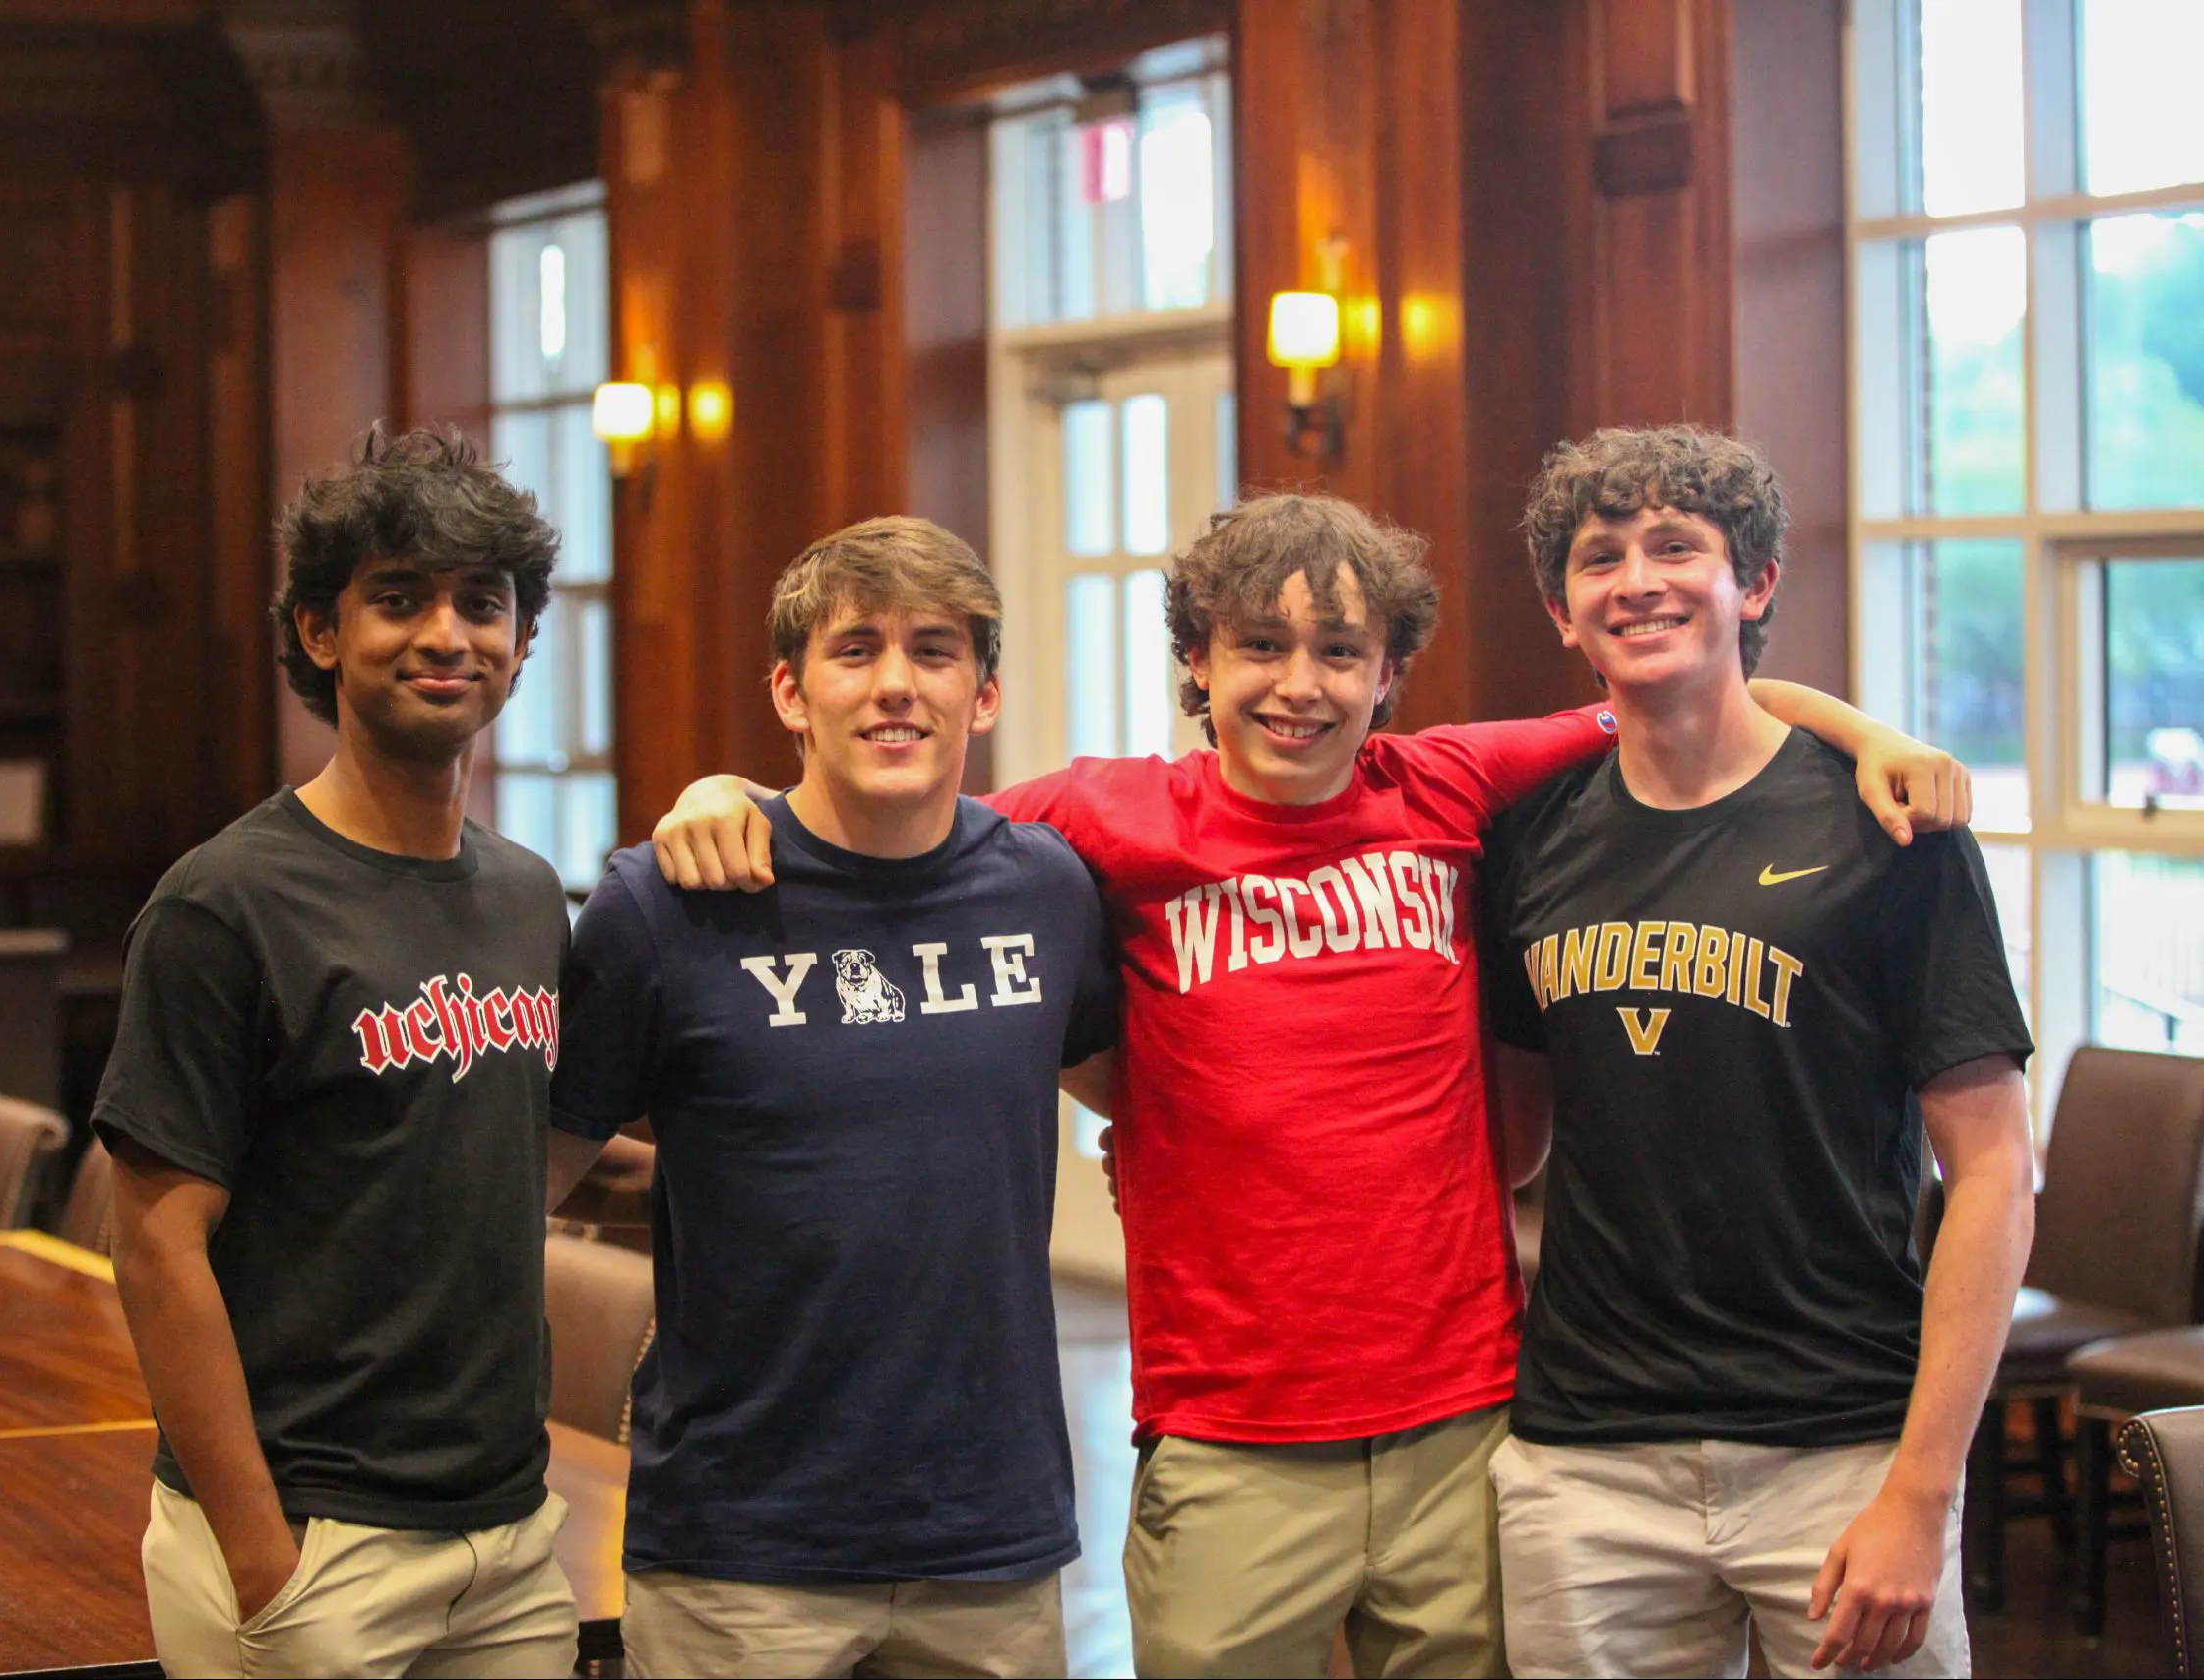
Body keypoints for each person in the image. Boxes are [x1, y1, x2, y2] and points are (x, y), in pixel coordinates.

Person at [651, 493, 1965, 1677]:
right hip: (1230, 1433)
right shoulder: (1106, 817)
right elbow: (900, 814)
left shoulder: (1446, 786)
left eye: (1340, 651)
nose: (1300, 686)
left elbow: (1680, 686)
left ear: (1388, 672)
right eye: (1258, 649)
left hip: (1463, 1416)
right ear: (1198, 666)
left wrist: (1871, 733)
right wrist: (732, 793)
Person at [1479, 425, 2036, 1679]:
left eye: (1677, 546)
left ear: (1757, 582)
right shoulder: (1525, 838)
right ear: (1562, 612)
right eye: (1599, 556)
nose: (1637, 580)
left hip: (1841, 1447)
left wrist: (1922, 1491)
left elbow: (1994, 1173)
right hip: (1586, 1460)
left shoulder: (1888, 823)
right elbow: (1504, 1141)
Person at [542, 516, 1117, 1678]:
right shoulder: (668, 905)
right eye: (855, 650)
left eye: (935, 650)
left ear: (986, 694)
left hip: (991, 1542)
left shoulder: (1047, 892)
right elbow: (516, 1189)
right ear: (790, 694)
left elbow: (1149, 1098)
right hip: (740, 1553)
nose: (896, 685)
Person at [95, 427, 586, 1679]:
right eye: (397, 598)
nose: (446, 635)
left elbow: (502, 1155)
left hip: (511, 1537)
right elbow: (154, 1247)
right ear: (321, 633)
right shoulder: (225, 906)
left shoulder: (531, 896)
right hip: (316, 1541)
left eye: (484, 604)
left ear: (523, 643)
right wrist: (266, 1556)